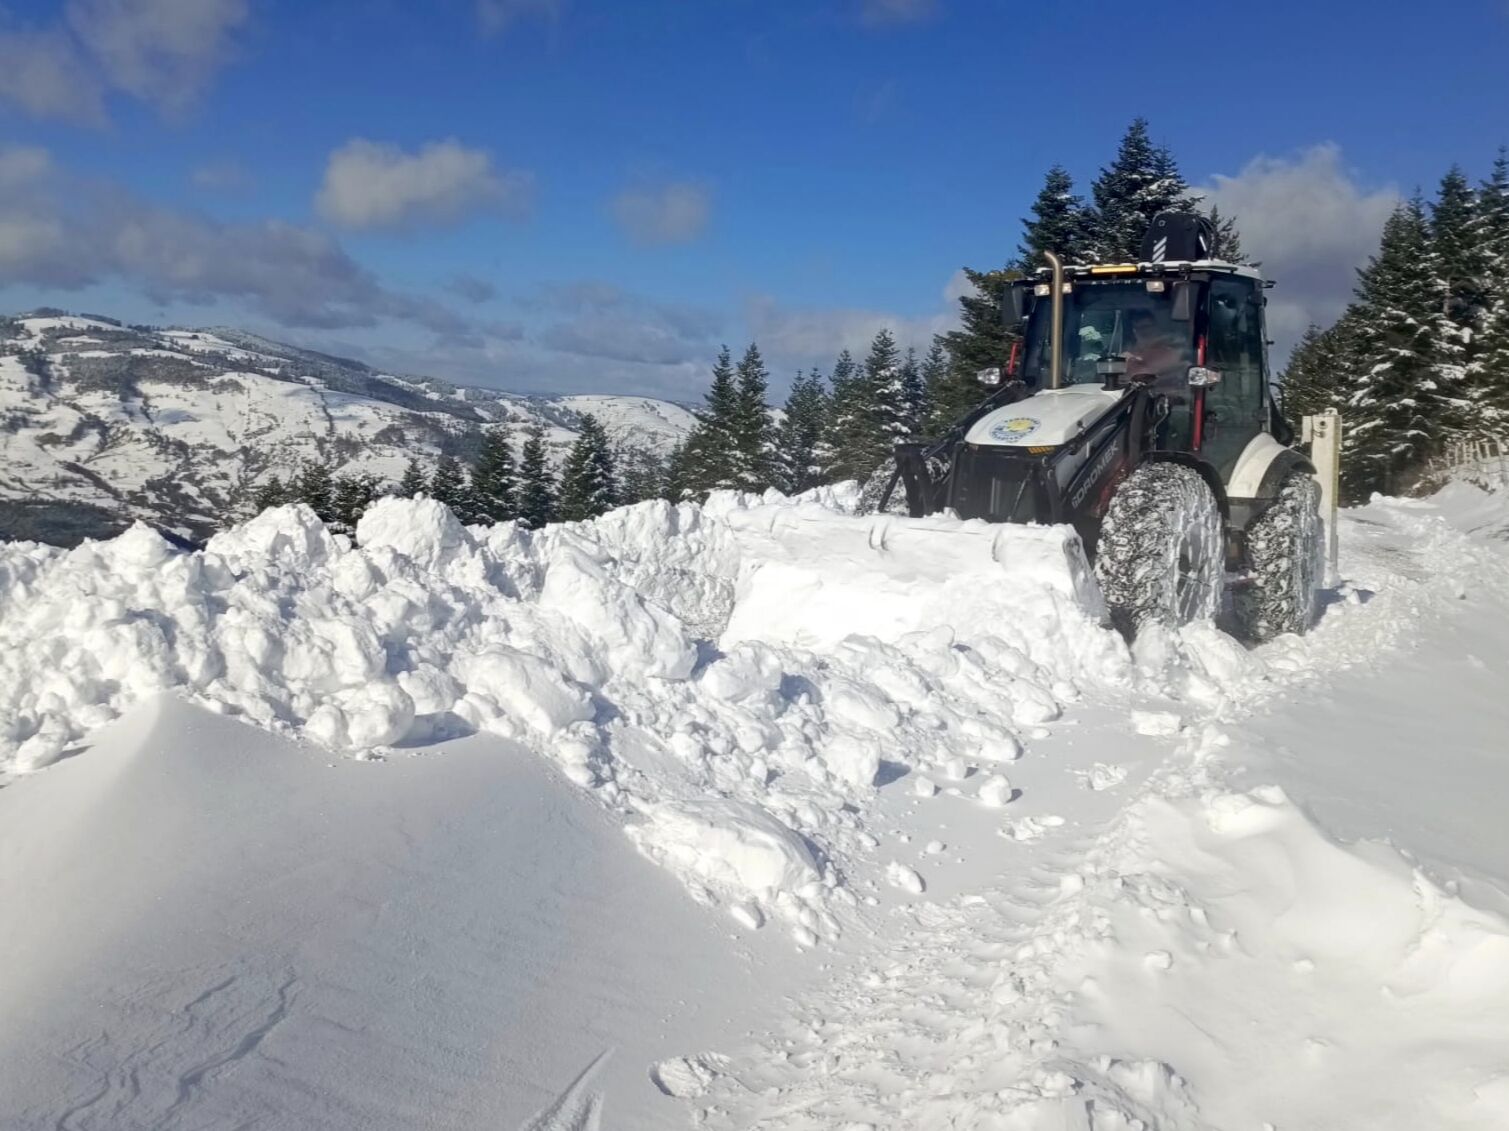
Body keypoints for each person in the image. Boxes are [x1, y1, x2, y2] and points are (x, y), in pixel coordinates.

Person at [1125, 309, 1190, 392]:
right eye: (1137, 328)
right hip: (1135, 397)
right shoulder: (1129, 352)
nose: (1141, 331)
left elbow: (1149, 371)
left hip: (1169, 396)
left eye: (1145, 327)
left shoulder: (1172, 347)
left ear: (1155, 327)